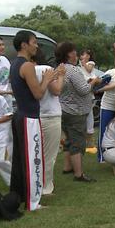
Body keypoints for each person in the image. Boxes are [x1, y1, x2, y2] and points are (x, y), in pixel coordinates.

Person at [9, 30, 56, 211]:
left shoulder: (15, 64)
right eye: (34, 42)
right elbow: (37, 94)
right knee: (33, 160)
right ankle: (33, 203)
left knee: (20, 159)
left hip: (21, 115)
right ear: (24, 45)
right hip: (29, 118)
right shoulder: (27, 66)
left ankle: (20, 196)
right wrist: (46, 79)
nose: (36, 45)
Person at [57, 42, 102, 182]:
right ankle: (78, 174)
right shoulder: (74, 70)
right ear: (69, 54)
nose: (76, 54)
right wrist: (94, 82)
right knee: (78, 142)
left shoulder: (59, 68)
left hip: (64, 109)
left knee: (69, 140)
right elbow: (83, 90)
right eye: (74, 51)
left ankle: (67, 167)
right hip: (75, 111)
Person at [33, 48, 65, 195]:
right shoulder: (45, 69)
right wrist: (61, 76)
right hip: (50, 116)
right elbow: (56, 90)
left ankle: (36, 183)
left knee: (36, 153)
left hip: (36, 115)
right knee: (49, 155)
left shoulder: (26, 70)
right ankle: (45, 187)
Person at [79, 49, 98, 152]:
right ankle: (86, 140)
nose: (82, 56)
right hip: (84, 89)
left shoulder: (90, 63)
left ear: (89, 56)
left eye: (84, 54)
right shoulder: (80, 65)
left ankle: (90, 139)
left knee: (89, 115)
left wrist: (83, 63)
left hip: (89, 90)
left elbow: (89, 70)